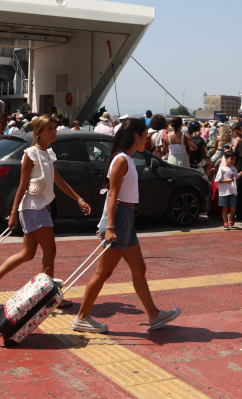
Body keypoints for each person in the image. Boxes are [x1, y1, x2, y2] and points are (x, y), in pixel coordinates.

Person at [73, 118, 181, 333]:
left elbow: (118, 194)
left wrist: (125, 214)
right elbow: (112, 195)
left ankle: (154, 315)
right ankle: (82, 317)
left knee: (139, 268)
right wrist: (109, 226)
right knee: (103, 272)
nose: (148, 138)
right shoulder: (121, 160)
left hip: (126, 216)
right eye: (145, 135)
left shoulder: (129, 159)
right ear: (136, 137)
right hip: (120, 218)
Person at [0, 115, 91, 306]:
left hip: (39, 208)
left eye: (55, 128)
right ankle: (48, 295)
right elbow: (21, 186)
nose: (54, 132)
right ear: (39, 132)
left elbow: (59, 180)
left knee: (27, 253)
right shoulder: (31, 154)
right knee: (50, 250)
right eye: (50, 129)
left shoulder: (48, 153)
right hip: (32, 208)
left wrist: (79, 199)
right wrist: (13, 213)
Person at [216, 153, 242, 230]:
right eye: (231, 159)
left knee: (233, 207)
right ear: (226, 158)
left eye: (234, 160)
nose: (233, 161)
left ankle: (231, 217)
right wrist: (228, 180)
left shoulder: (234, 168)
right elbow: (218, 180)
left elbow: (237, 176)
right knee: (225, 207)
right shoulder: (222, 168)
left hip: (233, 191)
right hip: (224, 192)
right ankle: (225, 222)